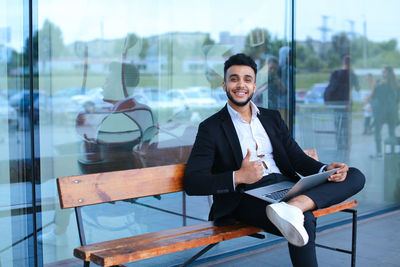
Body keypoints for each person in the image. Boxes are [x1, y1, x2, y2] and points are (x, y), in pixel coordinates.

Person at [183, 53, 365, 266]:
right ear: (224, 85)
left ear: (254, 86)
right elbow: (192, 182)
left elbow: (296, 157)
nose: (241, 84)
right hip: (245, 198)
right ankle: (296, 209)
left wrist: (325, 168)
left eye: (247, 79)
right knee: (305, 220)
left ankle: (295, 206)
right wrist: (238, 176)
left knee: (354, 175)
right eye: (234, 79)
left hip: (287, 190)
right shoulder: (211, 128)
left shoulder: (271, 118)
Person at [324, 55, 360, 160]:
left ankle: (339, 148)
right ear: (351, 64)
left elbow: (330, 87)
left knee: (338, 126)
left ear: (342, 63)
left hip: (336, 104)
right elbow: (357, 89)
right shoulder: (352, 75)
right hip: (346, 105)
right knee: (346, 128)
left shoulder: (335, 73)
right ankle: (346, 150)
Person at [369, 66, 399, 158]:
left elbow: (374, 97)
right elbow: (397, 99)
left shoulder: (380, 84)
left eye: (384, 72)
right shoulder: (396, 84)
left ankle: (379, 153)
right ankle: (392, 153)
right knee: (391, 133)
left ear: (388, 73)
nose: (382, 74)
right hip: (391, 112)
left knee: (378, 132)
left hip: (381, 113)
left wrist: (374, 87)